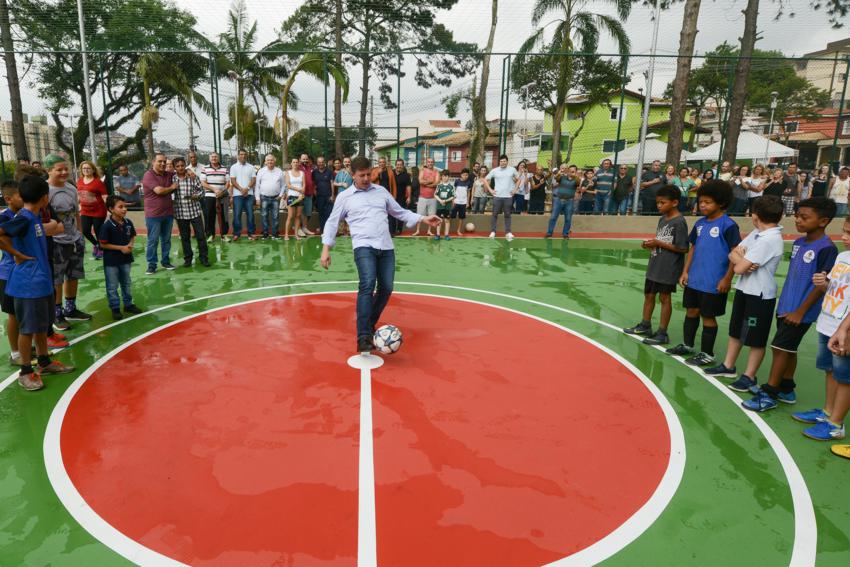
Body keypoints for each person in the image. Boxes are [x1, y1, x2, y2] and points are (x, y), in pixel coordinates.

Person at [320, 156, 441, 353]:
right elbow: (332, 223)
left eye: (369, 174)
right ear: (353, 175)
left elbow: (400, 212)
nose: (366, 179)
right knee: (367, 284)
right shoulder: (345, 197)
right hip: (363, 246)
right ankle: (363, 336)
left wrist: (424, 218)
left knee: (386, 287)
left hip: (386, 247)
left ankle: (369, 324)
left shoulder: (381, 192)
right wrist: (326, 250)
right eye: (362, 176)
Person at [742, 197, 837, 411]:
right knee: (788, 349)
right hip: (786, 306)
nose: (798, 220)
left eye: (804, 217)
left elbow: (819, 285)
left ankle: (769, 394)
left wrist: (801, 311)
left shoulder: (827, 248)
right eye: (797, 215)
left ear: (822, 221)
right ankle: (787, 387)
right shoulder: (799, 243)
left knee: (779, 348)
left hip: (801, 310)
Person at [0, 175, 74, 391]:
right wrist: (15, 253)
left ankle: (44, 362)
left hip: (40, 281)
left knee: (41, 326)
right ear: (44, 198)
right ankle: (25, 370)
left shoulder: (33, 218)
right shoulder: (23, 218)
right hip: (27, 284)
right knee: (27, 329)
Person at [703, 196, 785, 391]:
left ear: (755, 215)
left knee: (755, 337)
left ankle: (749, 376)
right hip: (744, 289)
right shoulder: (757, 233)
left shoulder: (770, 239)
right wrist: (743, 260)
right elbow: (733, 255)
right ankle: (728, 366)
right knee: (736, 329)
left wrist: (741, 260)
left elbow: (738, 268)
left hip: (760, 295)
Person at [666, 180, 741, 366]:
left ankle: (708, 354)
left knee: (708, 316)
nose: (703, 205)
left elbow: (735, 254)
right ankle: (688, 344)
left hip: (714, 282)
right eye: (701, 202)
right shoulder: (700, 224)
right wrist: (685, 272)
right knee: (691, 311)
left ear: (721, 203)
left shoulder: (729, 225)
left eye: (708, 202)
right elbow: (693, 248)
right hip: (695, 279)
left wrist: (727, 278)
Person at [791, 215, 850, 442]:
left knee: (845, 377)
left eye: (849, 233)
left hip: (844, 329)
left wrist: (844, 330)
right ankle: (827, 412)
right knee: (830, 370)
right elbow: (836, 289)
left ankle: (836, 424)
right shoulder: (843, 256)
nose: (844, 237)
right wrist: (824, 284)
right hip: (829, 322)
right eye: (844, 231)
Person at [623, 186, 689, 345]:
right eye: (658, 202)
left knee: (665, 298)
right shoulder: (662, 218)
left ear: (674, 202)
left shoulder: (679, 222)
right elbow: (663, 240)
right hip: (655, 263)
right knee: (649, 295)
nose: (659, 205)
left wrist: (659, 242)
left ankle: (662, 332)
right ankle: (645, 325)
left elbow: (683, 248)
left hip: (669, 267)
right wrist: (651, 244)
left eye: (662, 203)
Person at [44, 154, 91, 330]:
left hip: (74, 239)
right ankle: (57, 314)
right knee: (57, 278)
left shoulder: (71, 188)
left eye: (66, 168)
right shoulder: (45, 191)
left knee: (74, 274)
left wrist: (79, 234)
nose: (64, 172)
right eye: (59, 169)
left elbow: (76, 213)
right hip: (56, 241)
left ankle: (70, 309)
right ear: (49, 170)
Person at [98, 195, 144, 320]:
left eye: (125, 206)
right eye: (120, 207)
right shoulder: (107, 226)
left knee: (126, 283)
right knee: (112, 286)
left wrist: (130, 244)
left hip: (125, 260)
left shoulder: (128, 223)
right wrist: (121, 248)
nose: (124, 209)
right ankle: (115, 308)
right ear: (111, 209)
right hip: (111, 262)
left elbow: (133, 235)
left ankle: (128, 304)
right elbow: (102, 244)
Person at [0, 181, 24, 365]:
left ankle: (24, 345)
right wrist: (17, 254)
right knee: (13, 315)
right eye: (20, 196)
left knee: (24, 312)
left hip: (25, 273)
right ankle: (16, 353)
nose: (24, 199)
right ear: (8, 199)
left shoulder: (26, 215)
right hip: (9, 275)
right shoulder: (4, 218)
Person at [142, 153, 178, 274]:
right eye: (160, 162)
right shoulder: (148, 175)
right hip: (153, 215)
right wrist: (173, 187)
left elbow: (180, 171)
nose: (162, 164)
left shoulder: (169, 174)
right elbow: (159, 191)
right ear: (153, 163)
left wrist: (189, 171)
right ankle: (152, 265)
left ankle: (165, 261)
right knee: (153, 240)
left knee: (166, 239)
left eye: (164, 162)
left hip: (168, 213)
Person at [172, 157, 209, 267]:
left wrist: (195, 196)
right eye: (177, 166)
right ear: (174, 168)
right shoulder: (172, 179)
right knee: (185, 237)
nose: (180, 168)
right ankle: (188, 259)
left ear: (185, 165)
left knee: (201, 236)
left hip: (195, 212)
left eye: (182, 165)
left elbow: (202, 192)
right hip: (180, 213)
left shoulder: (193, 177)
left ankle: (204, 258)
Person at [75, 160, 108, 260]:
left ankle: (101, 250)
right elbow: (78, 194)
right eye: (84, 168)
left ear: (93, 170)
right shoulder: (79, 181)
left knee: (98, 230)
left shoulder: (98, 182)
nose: (86, 170)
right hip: (85, 210)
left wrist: (110, 208)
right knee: (85, 230)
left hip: (98, 211)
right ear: (81, 170)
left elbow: (105, 196)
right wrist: (76, 206)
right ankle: (97, 245)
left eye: (88, 168)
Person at [484, 155, 518, 241]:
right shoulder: (495, 170)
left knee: (507, 215)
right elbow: (485, 179)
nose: (503, 162)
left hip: (508, 196)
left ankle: (508, 232)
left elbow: (519, 180)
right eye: (501, 161)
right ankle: (493, 231)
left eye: (504, 161)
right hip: (497, 196)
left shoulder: (512, 170)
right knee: (494, 214)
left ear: (507, 161)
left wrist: (515, 190)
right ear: (499, 162)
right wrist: (490, 190)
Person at [200, 152, 231, 243]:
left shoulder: (225, 169)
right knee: (210, 216)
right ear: (210, 158)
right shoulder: (205, 168)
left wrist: (222, 192)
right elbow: (203, 183)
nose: (214, 158)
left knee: (224, 216)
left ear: (218, 158)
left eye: (215, 157)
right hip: (209, 196)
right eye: (212, 157)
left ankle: (224, 235)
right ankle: (211, 235)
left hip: (223, 196)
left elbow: (228, 183)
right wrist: (214, 189)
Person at [255, 154, 285, 239]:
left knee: (275, 216)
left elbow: (283, 185)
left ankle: (275, 233)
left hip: (276, 198)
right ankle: (265, 233)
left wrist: (280, 195)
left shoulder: (279, 171)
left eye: (271, 160)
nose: (270, 162)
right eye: (268, 160)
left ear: (274, 161)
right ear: (265, 162)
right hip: (264, 197)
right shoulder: (261, 171)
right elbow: (257, 185)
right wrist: (257, 198)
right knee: (264, 216)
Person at [229, 149, 257, 242]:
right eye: (241, 154)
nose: (243, 156)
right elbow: (233, 180)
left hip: (249, 195)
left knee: (250, 215)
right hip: (237, 195)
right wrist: (241, 189)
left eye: (245, 154)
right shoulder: (233, 167)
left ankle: (251, 233)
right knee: (237, 215)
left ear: (247, 156)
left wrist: (247, 189)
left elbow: (253, 180)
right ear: (238, 156)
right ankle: (236, 234)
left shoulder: (251, 167)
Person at [546, 164, 578, 238]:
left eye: (573, 171)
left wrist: (575, 175)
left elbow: (578, 182)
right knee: (553, 217)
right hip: (558, 200)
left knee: (568, 218)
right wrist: (560, 172)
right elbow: (556, 178)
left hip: (569, 201)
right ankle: (549, 233)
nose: (571, 171)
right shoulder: (562, 177)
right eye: (569, 170)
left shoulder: (576, 179)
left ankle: (565, 234)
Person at [371, 156, 398, 233]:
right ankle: (378, 231)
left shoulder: (390, 171)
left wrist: (394, 196)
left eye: (383, 162)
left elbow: (393, 184)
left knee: (390, 214)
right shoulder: (374, 171)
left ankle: (391, 232)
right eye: (380, 162)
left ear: (385, 163)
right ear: (378, 163)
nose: (382, 163)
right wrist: (377, 174)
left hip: (388, 196)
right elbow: (371, 181)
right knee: (378, 214)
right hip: (377, 196)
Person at [413, 157, 439, 237]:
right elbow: (420, 181)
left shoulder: (436, 172)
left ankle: (429, 231)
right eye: (429, 162)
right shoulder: (422, 171)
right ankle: (417, 230)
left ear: (434, 163)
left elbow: (436, 183)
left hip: (433, 197)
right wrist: (430, 181)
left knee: (431, 215)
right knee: (419, 215)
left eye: (432, 162)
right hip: (422, 197)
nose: (430, 163)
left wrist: (426, 183)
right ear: (426, 163)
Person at [283, 158, 305, 241]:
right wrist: (298, 189)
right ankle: (286, 234)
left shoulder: (302, 173)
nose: (295, 163)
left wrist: (302, 193)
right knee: (290, 216)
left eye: (296, 162)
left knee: (298, 216)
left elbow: (304, 185)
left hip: (300, 197)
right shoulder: (287, 173)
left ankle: (296, 234)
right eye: (294, 162)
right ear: (291, 164)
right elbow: (288, 185)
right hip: (291, 197)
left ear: (298, 164)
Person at [313, 156, 336, 233]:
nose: (321, 163)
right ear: (317, 163)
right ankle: (322, 230)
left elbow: (332, 183)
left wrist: (332, 195)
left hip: (328, 196)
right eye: (319, 162)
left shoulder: (329, 172)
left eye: (322, 162)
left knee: (329, 214)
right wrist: (314, 192)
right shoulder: (314, 172)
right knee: (321, 214)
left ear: (324, 163)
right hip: (319, 197)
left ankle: (329, 230)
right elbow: (313, 184)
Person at [298, 153, 317, 236]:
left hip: (309, 194)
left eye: (306, 159)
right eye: (303, 159)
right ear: (300, 159)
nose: (305, 160)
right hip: (300, 194)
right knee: (300, 213)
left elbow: (312, 181)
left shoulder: (310, 168)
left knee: (308, 213)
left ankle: (304, 228)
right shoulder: (297, 168)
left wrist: (313, 191)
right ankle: (298, 228)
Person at [393, 159, 413, 235]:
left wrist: (409, 197)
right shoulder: (391, 174)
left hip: (402, 198)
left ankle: (399, 230)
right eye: (397, 164)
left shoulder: (406, 175)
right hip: (392, 197)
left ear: (403, 165)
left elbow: (408, 187)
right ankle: (392, 229)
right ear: (395, 165)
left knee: (400, 214)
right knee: (392, 214)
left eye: (400, 165)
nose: (399, 166)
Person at [434, 169, 455, 240]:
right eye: (443, 176)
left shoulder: (451, 186)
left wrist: (445, 200)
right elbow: (435, 195)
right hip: (439, 206)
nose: (445, 177)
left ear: (449, 177)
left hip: (447, 207)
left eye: (446, 176)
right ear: (441, 177)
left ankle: (446, 235)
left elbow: (453, 196)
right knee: (439, 220)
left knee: (447, 220)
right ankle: (437, 234)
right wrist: (440, 200)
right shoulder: (439, 186)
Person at [451, 168, 471, 236]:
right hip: (456, 202)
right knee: (451, 216)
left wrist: (467, 202)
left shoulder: (468, 182)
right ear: (461, 175)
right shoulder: (457, 181)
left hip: (463, 203)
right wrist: (453, 200)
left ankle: (458, 230)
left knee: (461, 218)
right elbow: (454, 191)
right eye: (464, 175)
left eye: (466, 175)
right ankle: (447, 229)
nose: (465, 176)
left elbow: (468, 193)